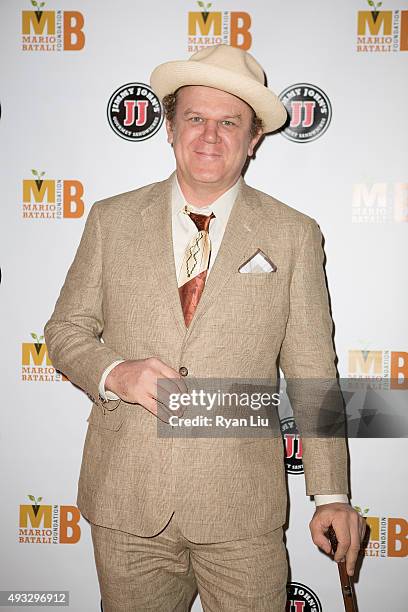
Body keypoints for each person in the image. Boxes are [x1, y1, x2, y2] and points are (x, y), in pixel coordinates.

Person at [44, 44, 366, 612]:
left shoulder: (295, 234)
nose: (210, 136)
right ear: (169, 127)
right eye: (195, 118)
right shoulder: (110, 220)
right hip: (126, 506)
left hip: (241, 509)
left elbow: (314, 369)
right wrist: (116, 372)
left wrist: (332, 494)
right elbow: (65, 331)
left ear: (254, 138)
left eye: (229, 122)